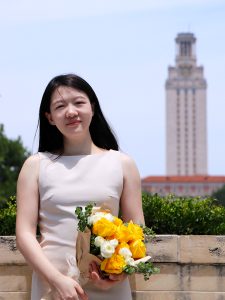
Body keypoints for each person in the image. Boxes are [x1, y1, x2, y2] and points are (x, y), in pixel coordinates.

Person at [16, 73, 145, 300]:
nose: (71, 112)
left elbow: (137, 231)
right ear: (50, 117)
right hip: (53, 288)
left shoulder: (122, 164)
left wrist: (120, 274)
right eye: (60, 106)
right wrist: (57, 280)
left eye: (79, 103)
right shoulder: (35, 166)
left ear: (92, 108)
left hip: (110, 288)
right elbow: (24, 234)